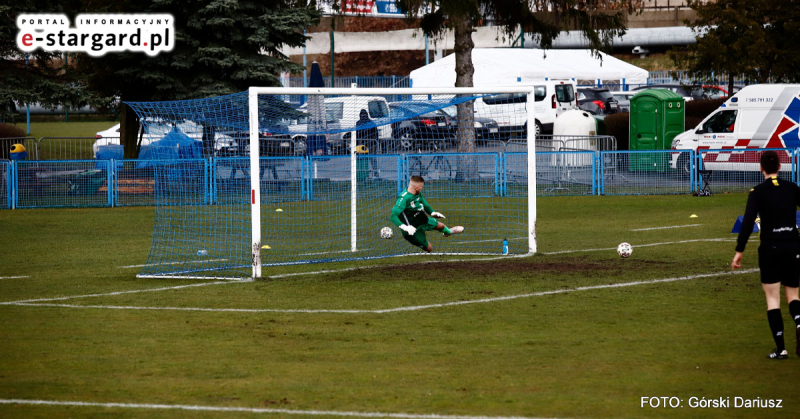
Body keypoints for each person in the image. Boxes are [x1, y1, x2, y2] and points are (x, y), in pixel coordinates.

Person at [732, 150, 800, 359]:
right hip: (792, 246)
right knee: (794, 295)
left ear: (761, 168)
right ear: (780, 167)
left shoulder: (758, 192)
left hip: (770, 249)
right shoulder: (792, 188)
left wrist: (739, 250)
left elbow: (748, 222)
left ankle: (781, 349)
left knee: (773, 299)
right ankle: (799, 322)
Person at [391, 176, 464, 252]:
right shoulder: (403, 199)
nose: (422, 188)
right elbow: (393, 216)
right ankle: (422, 242)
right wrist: (405, 228)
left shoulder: (417, 193)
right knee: (429, 248)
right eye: (421, 186)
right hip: (412, 230)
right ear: (416, 187)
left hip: (422, 220)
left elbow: (425, 204)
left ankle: (449, 232)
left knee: (441, 226)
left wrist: (432, 212)